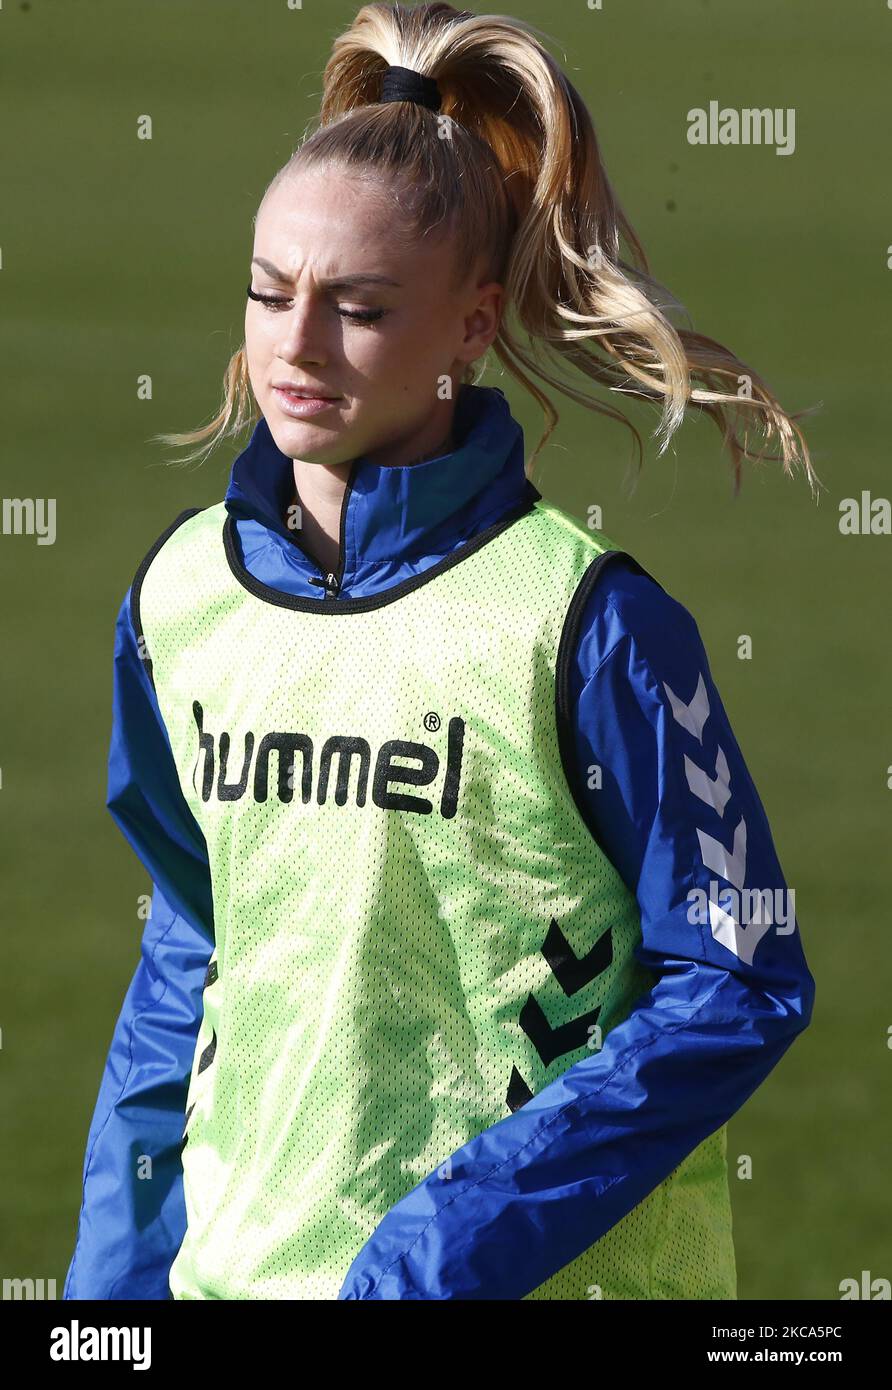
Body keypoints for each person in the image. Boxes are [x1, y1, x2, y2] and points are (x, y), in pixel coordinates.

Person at [64, 1, 817, 1301]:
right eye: (268, 291)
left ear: (471, 327)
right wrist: (114, 1291)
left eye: (357, 307)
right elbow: (192, 945)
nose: (294, 345)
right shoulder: (182, 595)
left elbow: (739, 977)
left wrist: (435, 1256)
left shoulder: (590, 625)